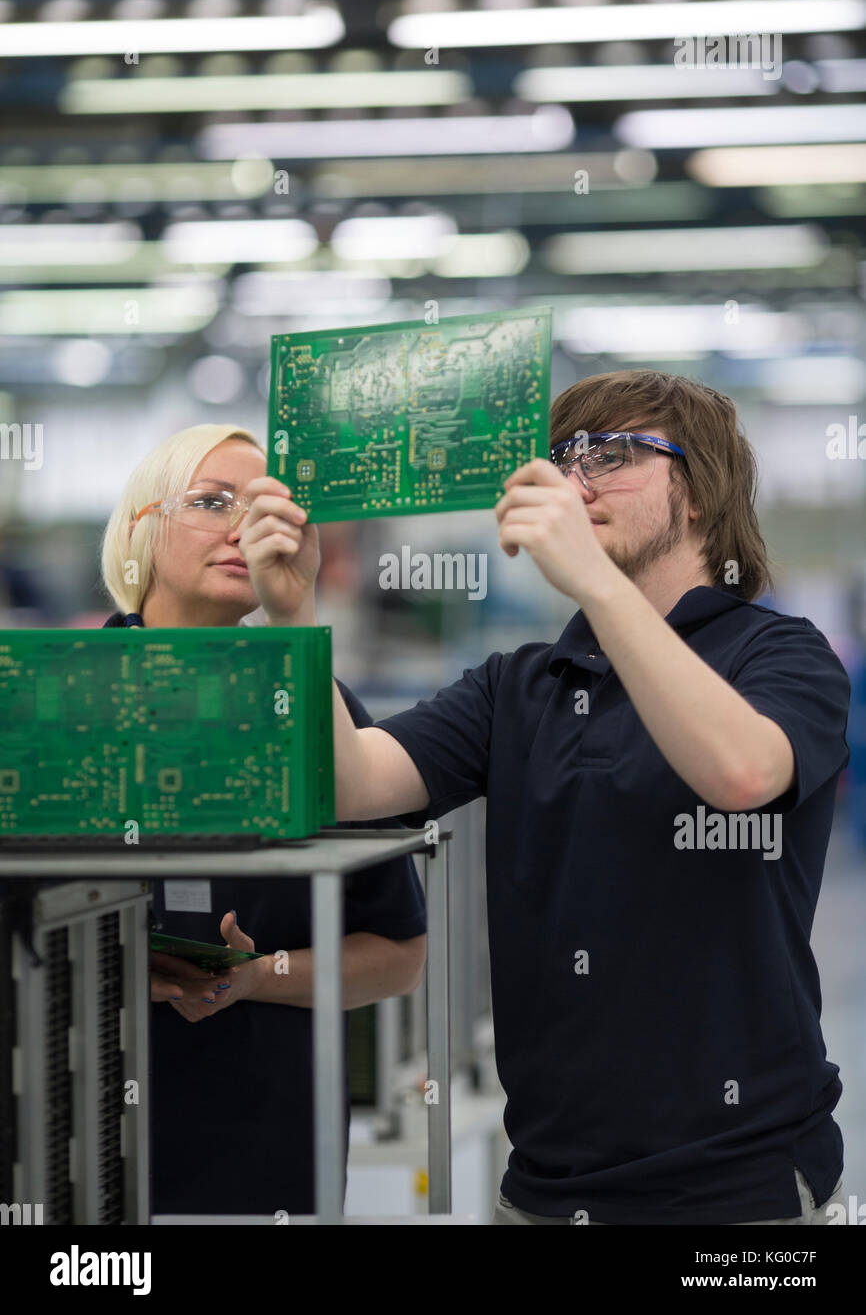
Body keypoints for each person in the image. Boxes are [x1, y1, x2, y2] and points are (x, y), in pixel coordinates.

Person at [247, 368, 852, 1226]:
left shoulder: (780, 655)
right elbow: (352, 783)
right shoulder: (521, 685)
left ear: (698, 494)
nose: (577, 478)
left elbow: (742, 775)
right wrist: (292, 613)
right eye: (564, 456)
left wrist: (598, 586)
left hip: (736, 1187)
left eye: (614, 455)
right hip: (549, 1187)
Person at [100, 423, 427, 1216]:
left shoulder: (320, 716)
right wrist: (108, 973)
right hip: (85, 1144)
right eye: (212, 502)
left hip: (271, 1156)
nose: (247, 527)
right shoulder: (57, 708)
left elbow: (398, 956)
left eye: (266, 506)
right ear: (138, 529)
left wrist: (257, 977)